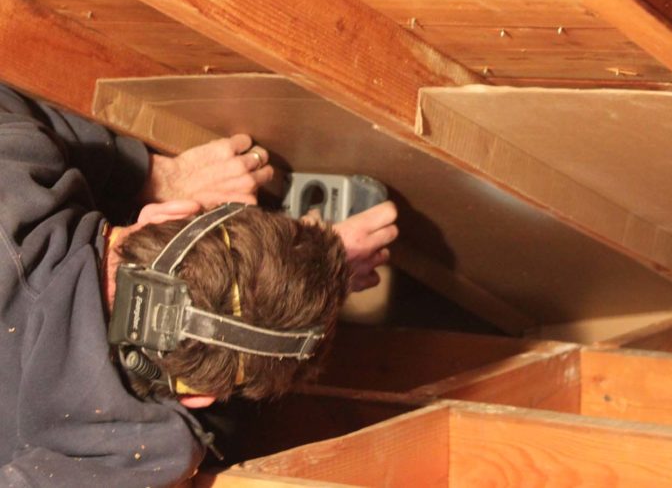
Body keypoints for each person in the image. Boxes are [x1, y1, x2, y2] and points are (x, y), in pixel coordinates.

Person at [0, 84, 397, 486]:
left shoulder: (15, 163)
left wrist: (153, 173)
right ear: (197, 398)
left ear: (161, 214)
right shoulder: (141, 452)